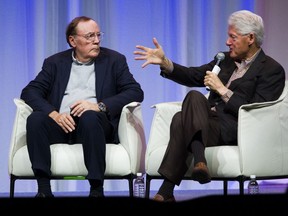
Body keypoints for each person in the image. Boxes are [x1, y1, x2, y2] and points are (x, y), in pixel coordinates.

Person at [134, 10, 285, 202]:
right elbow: (194, 75)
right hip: (207, 123)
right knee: (194, 97)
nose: (227, 42)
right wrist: (166, 63)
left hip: (235, 128)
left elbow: (257, 111)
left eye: (233, 37)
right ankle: (199, 162)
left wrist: (222, 90)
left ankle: (166, 190)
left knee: (181, 120)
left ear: (250, 38)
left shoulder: (271, 70)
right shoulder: (225, 59)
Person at [21, 16, 144, 198]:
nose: (96, 41)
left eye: (98, 35)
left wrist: (99, 106)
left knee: (89, 116)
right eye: (89, 36)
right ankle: (44, 190)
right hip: (63, 124)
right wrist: (54, 115)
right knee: (36, 119)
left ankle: (96, 190)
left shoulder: (114, 60)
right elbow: (29, 92)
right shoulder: (54, 63)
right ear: (73, 40)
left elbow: (135, 91)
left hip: (96, 124)